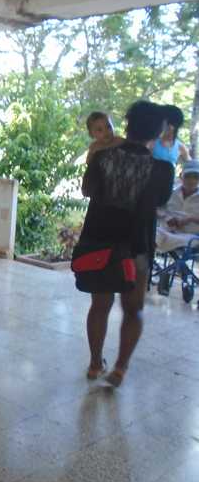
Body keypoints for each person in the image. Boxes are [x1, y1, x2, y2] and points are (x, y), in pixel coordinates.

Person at [81, 101, 174, 387]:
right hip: (136, 245)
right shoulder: (163, 169)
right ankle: (120, 368)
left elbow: (86, 190)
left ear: (127, 125)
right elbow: (159, 201)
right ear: (157, 133)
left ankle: (96, 364)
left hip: (99, 240)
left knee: (100, 305)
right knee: (133, 308)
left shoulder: (101, 157)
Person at [155, 160, 199, 253]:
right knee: (151, 233)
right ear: (181, 177)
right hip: (166, 230)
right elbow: (158, 209)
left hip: (191, 236)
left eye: (196, 177)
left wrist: (191, 218)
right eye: (188, 176)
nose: (191, 180)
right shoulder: (171, 193)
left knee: (158, 237)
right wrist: (168, 218)